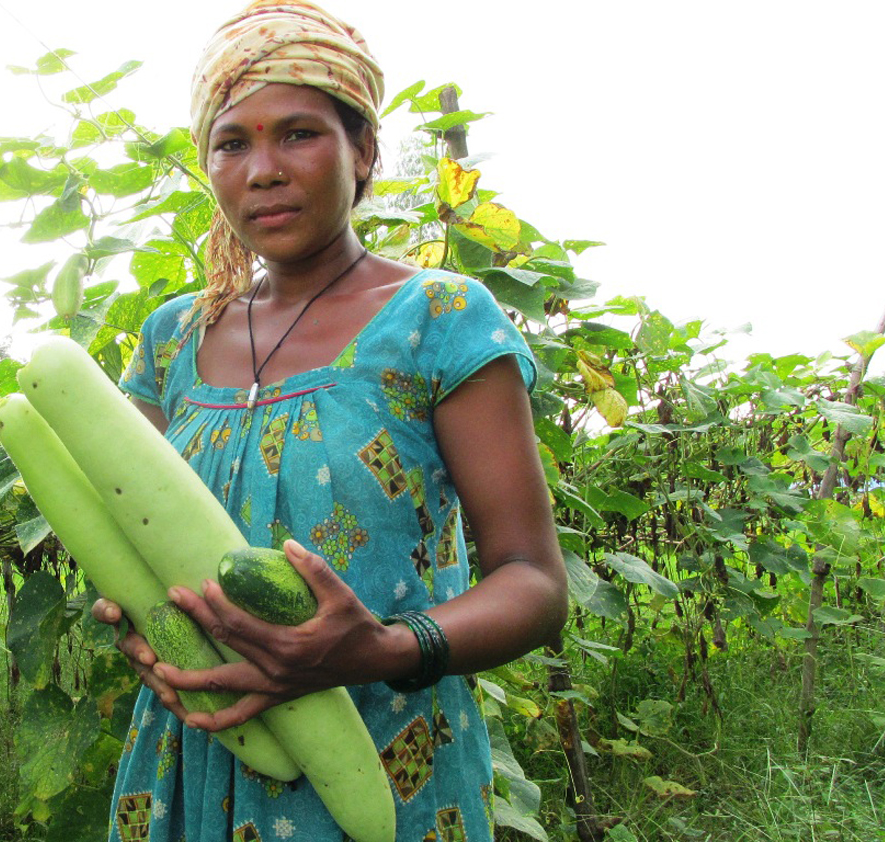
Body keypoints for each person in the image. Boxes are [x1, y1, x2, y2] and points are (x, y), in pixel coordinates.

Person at [91, 1, 568, 839]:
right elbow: (125, 534)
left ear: (364, 151)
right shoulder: (174, 337)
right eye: (232, 143)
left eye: (299, 133)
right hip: (196, 750)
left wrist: (382, 649)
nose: (263, 169)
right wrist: (139, 622)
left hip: (382, 757)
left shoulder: (439, 318)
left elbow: (532, 583)